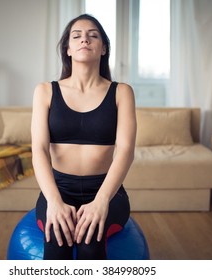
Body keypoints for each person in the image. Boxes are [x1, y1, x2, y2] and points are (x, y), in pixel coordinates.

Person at [31, 14, 136, 260]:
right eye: (76, 36)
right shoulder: (45, 91)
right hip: (59, 188)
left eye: (93, 35)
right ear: (67, 49)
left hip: (106, 191)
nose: (84, 40)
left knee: (90, 243)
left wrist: (101, 202)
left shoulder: (122, 92)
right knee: (57, 243)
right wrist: (54, 202)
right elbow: (39, 150)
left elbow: (125, 151)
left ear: (103, 48)